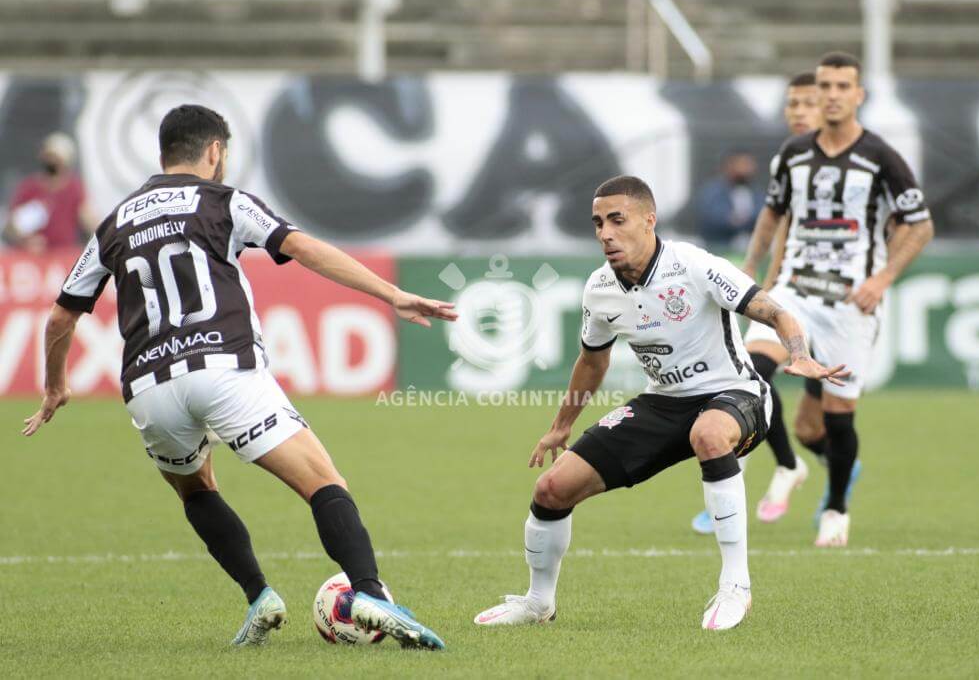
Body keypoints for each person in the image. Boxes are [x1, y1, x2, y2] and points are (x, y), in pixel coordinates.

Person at [21, 104, 456, 649]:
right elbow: (301, 247)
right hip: (223, 368)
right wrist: (391, 293)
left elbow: (63, 314)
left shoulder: (115, 221)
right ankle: (368, 592)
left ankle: (258, 596)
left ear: (163, 154)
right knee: (323, 481)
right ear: (214, 151)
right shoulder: (223, 201)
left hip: (150, 388)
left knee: (196, 489)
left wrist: (55, 385)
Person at [473, 175, 848, 631]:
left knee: (709, 434)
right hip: (664, 403)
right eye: (597, 224)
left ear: (649, 220)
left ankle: (736, 586)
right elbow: (593, 362)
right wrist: (560, 425)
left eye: (617, 220)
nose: (605, 233)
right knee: (551, 489)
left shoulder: (692, 265)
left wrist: (800, 354)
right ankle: (538, 602)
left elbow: (773, 311)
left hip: (737, 393)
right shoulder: (600, 288)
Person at [740, 52, 934, 547]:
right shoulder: (793, 153)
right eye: (824, 85)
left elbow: (921, 224)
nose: (830, 94)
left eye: (841, 86)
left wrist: (884, 277)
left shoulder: (881, 157)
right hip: (794, 293)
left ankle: (837, 507)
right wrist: (751, 269)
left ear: (858, 94)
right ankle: (786, 467)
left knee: (835, 416)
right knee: (752, 372)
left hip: (849, 304)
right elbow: (772, 212)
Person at [691, 71, 826, 534]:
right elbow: (777, 230)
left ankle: (833, 490)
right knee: (752, 380)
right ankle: (761, 473)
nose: (799, 113)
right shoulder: (787, 163)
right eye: (793, 105)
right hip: (784, 293)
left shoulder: (860, 164)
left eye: (808, 103)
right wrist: (755, 277)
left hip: (834, 299)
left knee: (826, 421)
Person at [3, 132, 99, 251]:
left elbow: (88, 219)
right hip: (31, 258)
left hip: (63, 257)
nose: (51, 162)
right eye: (49, 157)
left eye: (56, 158)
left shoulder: (74, 188)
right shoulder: (29, 188)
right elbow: (10, 226)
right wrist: (26, 240)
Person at [695, 150, 764, 249]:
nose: (746, 169)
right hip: (719, 248)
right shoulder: (712, 191)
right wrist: (732, 221)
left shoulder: (757, 192)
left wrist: (745, 220)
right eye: (741, 164)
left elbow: (763, 214)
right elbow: (710, 217)